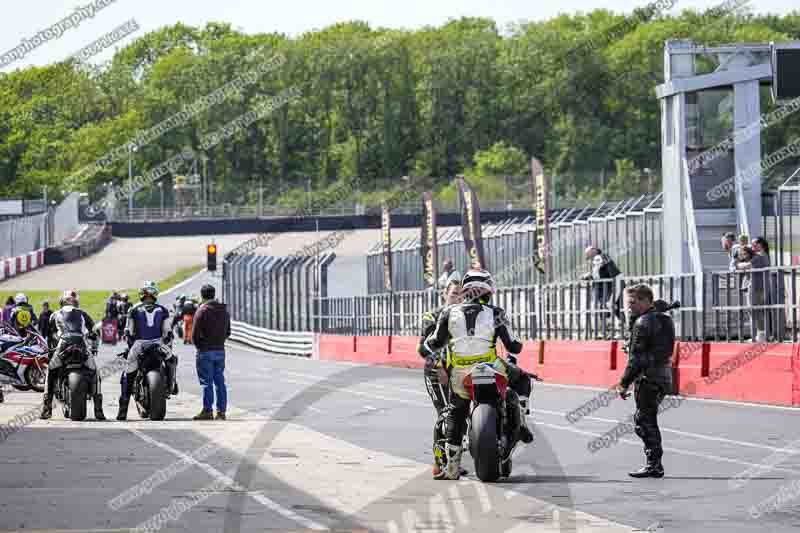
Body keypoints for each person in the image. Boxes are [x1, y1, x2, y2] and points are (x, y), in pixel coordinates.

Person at [420, 268, 535, 480]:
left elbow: (429, 345)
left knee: (456, 411)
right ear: (488, 291)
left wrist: (430, 352)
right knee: (522, 379)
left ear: (465, 291)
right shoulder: (496, 313)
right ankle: (521, 419)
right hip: (491, 366)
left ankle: (452, 468)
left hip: (460, 373)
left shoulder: (447, 314)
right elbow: (514, 346)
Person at [614, 284, 675, 478]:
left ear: (645, 300)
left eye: (633, 302)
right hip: (664, 376)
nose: (629, 307)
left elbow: (637, 359)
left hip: (648, 377)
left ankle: (654, 464)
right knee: (647, 418)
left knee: (644, 421)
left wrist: (623, 383)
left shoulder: (643, 323)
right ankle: (654, 463)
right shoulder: (665, 319)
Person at [419, 271, 468, 477]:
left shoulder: (465, 316)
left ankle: (453, 460)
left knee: (459, 416)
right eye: (454, 293)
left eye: (461, 295)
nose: (457, 298)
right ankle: (439, 464)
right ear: (444, 294)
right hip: (436, 371)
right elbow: (425, 347)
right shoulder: (432, 316)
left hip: (457, 371)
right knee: (445, 414)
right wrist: (440, 366)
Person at [41, 289, 106, 420]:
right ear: (76, 302)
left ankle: (47, 408)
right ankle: (98, 410)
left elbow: (49, 335)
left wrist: (49, 351)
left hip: (63, 345)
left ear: (62, 301)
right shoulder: (83, 314)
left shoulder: (54, 315)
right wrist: (94, 349)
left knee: (51, 371)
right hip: (81, 344)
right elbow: (95, 333)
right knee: (95, 373)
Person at [116, 282, 176, 421]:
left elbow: (128, 332)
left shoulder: (133, 309)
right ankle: (171, 385)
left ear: (141, 295)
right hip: (158, 343)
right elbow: (168, 332)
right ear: (155, 295)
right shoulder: (163, 310)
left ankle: (123, 408)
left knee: (128, 372)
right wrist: (167, 345)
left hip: (139, 345)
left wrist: (131, 346)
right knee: (172, 359)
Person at [191, 284, 231, 420]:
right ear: (213, 294)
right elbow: (228, 332)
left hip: (205, 351)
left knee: (206, 383)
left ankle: (207, 411)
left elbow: (195, 335)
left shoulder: (201, 310)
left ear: (202, 295)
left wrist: (200, 347)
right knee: (220, 382)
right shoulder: (224, 311)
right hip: (220, 350)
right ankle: (221, 412)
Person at [581, 246, 623, 330]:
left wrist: (589, 275)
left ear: (594, 250)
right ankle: (609, 328)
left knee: (612, 306)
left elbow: (598, 272)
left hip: (613, 285)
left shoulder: (601, 256)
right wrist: (588, 276)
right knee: (611, 306)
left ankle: (619, 327)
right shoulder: (599, 259)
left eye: (589, 254)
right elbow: (597, 274)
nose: (589, 258)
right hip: (610, 286)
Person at [739, 237, 771, 343]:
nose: (751, 247)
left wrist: (738, 265)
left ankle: (761, 334)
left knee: (754, 310)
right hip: (760, 286)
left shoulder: (759, 256)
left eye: (753, 244)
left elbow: (747, 265)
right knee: (757, 310)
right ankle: (761, 333)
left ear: (760, 244)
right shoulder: (764, 255)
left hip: (756, 287)